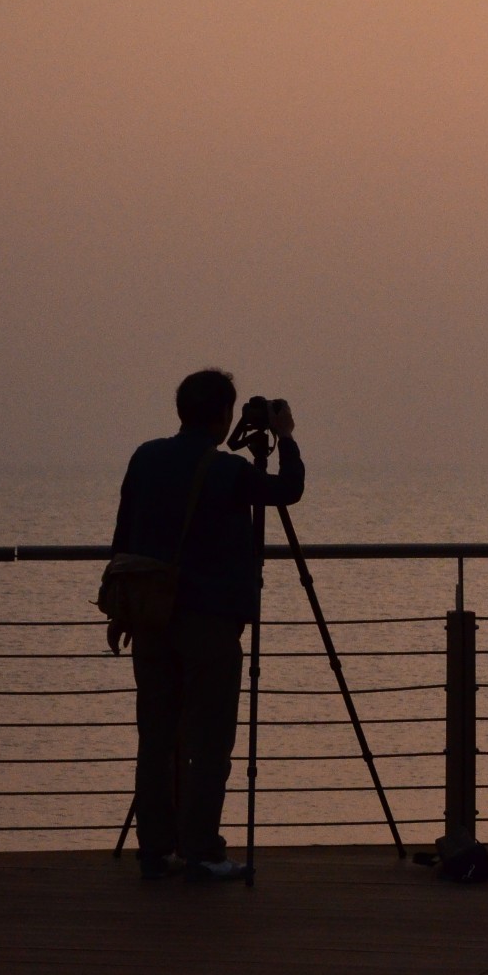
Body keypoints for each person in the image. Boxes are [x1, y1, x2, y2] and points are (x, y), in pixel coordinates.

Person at [107, 369, 303, 882]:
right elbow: (288, 490)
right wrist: (286, 438)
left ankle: (156, 849)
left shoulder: (145, 458)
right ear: (222, 416)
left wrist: (122, 609)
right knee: (209, 743)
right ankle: (201, 849)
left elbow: (123, 536)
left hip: (150, 618)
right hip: (210, 623)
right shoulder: (229, 472)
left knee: (156, 739)